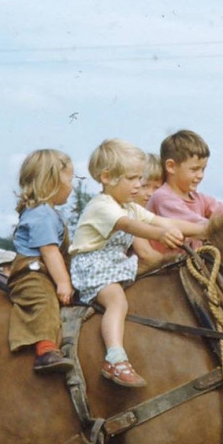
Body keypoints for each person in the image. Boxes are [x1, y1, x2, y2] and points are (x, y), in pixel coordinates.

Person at [69, 139, 189, 388]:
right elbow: (129, 225)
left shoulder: (129, 206)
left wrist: (204, 228)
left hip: (114, 264)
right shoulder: (103, 206)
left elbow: (162, 221)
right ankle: (114, 358)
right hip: (94, 267)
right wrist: (158, 235)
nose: (138, 185)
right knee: (117, 300)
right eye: (132, 179)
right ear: (106, 177)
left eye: (140, 178)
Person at [8, 148, 74, 374]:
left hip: (46, 271)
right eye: (70, 178)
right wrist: (64, 283)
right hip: (32, 274)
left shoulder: (49, 212)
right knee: (43, 300)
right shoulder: (42, 214)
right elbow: (49, 252)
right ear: (51, 181)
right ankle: (45, 349)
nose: (72, 185)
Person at [146, 129, 223, 252]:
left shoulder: (200, 198)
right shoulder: (163, 197)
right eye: (194, 169)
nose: (200, 175)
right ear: (171, 167)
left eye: (203, 169)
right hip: (165, 267)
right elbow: (194, 224)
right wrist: (222, 225)